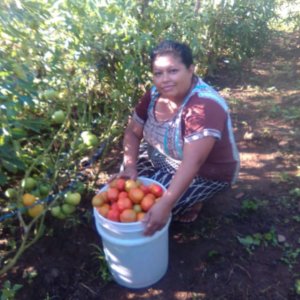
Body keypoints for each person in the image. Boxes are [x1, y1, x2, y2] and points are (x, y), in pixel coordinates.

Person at [109, 40, 240, 237]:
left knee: (150, 206)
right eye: (158, 73)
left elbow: (192, 162)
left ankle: (195, 199)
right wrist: (130, 167)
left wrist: (166, 203)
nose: (165, 80)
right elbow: (132, 132)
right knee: (127, 187)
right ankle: (168, 190)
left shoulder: (202, 107)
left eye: (173, 71)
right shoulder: (154, 95)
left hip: (207, 172)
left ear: (190, 70)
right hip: (164, 155)